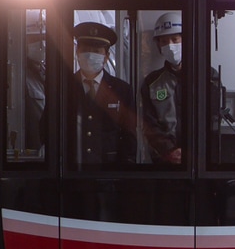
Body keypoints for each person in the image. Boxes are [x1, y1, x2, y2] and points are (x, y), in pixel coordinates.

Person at [68, 21, 136, 166]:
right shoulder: (64, 88)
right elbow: (46, 128)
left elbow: (129, 136)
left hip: (109, 174)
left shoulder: (122, 90)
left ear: (106, 56)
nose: (90, 56)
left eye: (97, 51)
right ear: (77, 52)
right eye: (86, 50)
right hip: (72, 173)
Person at [140, 12, 185, 165]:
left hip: (198, 160)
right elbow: (148, 123)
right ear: (159, 46)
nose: (170, 46)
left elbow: (212, 120)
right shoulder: (152, 82)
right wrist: (169, 151)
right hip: (164, 161)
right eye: (164, 41)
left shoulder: (207, 77)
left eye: (175, 39)